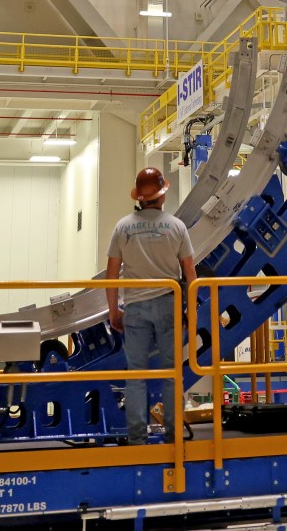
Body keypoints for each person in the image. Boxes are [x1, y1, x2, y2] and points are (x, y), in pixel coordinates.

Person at [104, 167, 196, 445]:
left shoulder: (123, 227)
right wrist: (192, 310)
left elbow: (111, 273)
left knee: (136, 376)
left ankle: (136, 439)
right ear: (162, 195)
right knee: (171, 374)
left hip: (135, 307)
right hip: (169, 304)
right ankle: (173, 436)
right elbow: (189, 271)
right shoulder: (176, 226)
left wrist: (113, 310)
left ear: (139, 196)